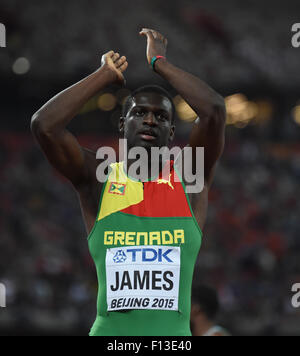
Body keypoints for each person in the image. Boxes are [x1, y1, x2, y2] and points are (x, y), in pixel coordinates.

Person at [31, 28, 226, 336]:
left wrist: (159, 62)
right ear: (123, 125)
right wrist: (102, 76)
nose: (150, 120)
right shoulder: (99, 177)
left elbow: (214, 111)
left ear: (172, 133)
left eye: (161, 117)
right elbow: (44, 126)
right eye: (141, 113)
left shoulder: (190, 176)